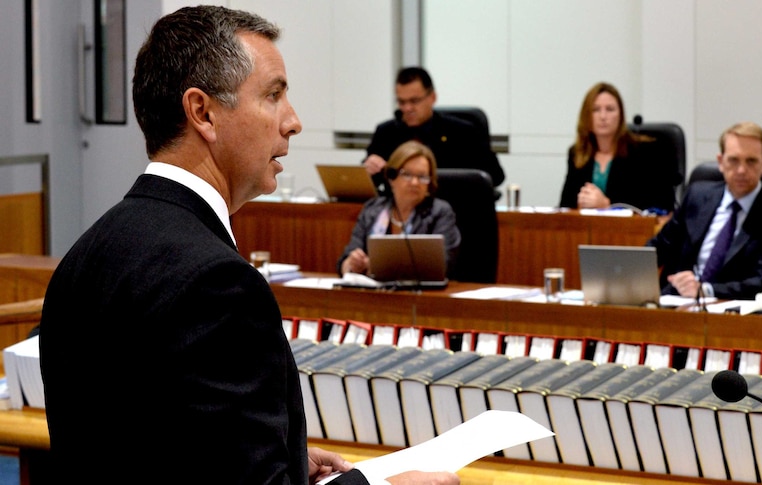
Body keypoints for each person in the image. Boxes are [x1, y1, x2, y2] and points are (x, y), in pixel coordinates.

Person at [37, 6, 459, 485]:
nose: (293, 121)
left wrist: (274, 454)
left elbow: (145, 440)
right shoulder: (215, 282)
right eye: (274, 95)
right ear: (203, 113)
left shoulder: (86, 253)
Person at [648, 121, 762, 300]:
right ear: (721, 162)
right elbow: (658, 249)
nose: (741, 170)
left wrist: (704, 290)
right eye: (733, 160)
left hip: (738, 312)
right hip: (678, 303)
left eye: (751, 161)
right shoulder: (696, 196)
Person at [362, 67, 505, 193]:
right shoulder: (387, 132)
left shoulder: (463, 132)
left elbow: (495, 176)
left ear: (432, 97)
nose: (407, 108)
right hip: (399, 210)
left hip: (452, 209)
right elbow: (368, 182)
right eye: (402, 102)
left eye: (414, 101)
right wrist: (370, 170)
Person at [339, 140, 461, 277]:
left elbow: (443, 265)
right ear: (391, 177)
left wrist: (376, 266)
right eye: (407, 174)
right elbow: (345, 260)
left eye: (422, 176)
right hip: (373, 293)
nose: (415, 182)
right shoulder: (373, 209)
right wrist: (352, 264)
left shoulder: (440, 212)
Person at [559, 82, 679, 213]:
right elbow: (565, 205)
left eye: (610, 109)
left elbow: (661, 204)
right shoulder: (578, 153)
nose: (603, 117)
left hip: (635, 231)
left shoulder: (646, 152)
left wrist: (608, 204)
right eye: (595, 110)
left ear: (620, 115)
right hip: (587, 230)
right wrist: (579, 204)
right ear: (586, 116)